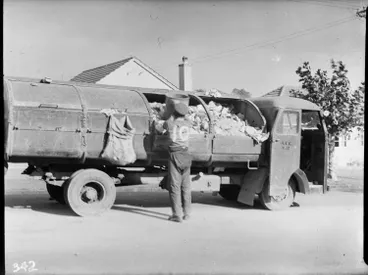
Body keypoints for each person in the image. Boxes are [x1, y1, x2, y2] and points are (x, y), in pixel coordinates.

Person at [163, 102, 192, 223]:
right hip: (186, 155)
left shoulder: (170, 123)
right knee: (186, 186)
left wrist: (170, 113)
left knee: (175, 186)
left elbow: (162, 125)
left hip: (175, 155)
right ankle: (187, 213)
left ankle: (177, 215)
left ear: (174, 113)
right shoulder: (188, 124)